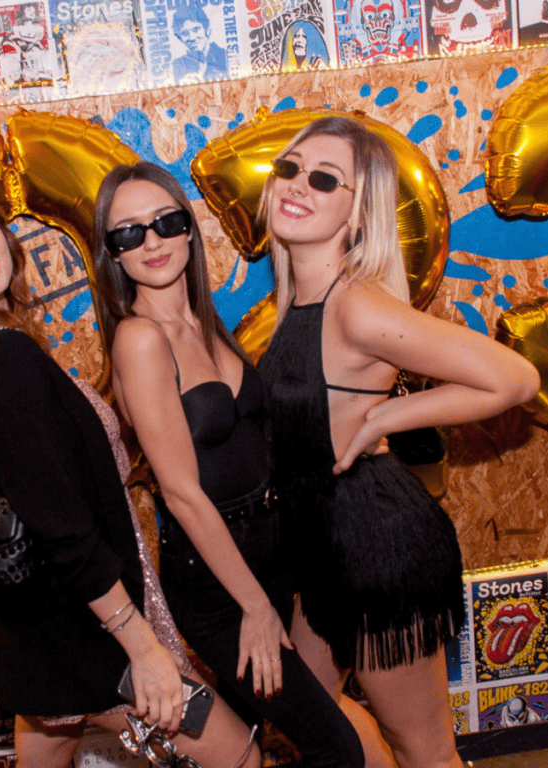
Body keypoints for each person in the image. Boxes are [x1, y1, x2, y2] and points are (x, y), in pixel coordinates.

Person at [0, 175, 263, 768]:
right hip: (88, 634)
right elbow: (59, 525)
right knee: (239, 756)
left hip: (27, 634)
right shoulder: (6, 356)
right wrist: (141, 646)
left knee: (48, 747)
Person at [255, 115, 540, 768]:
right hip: (320, 548)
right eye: (289, 169)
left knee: (427, 750)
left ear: (359, 215)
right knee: (312, 723)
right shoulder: (297, 301)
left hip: (377, 548)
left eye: (326, 179)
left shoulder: (357, 304)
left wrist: (382, 420)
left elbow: (514, 378)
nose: (298, 185)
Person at [91, 162, 363, 768]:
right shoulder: (139, 339)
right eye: (128, 233)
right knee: (335, 747)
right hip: (218, 584)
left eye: (165, 222)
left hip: (269, 555)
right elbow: (182, 493)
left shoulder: (204, 323)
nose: (152, 241)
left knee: (285, 732)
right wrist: (255, 608)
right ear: (112, 254)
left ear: (189, 229)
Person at [171, 5, 228, 84]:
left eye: (196, 29)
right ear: (180, 38)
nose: (192, 37)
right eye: (185, 33)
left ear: (208, 31)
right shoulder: (177, 65)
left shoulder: (225, 57)